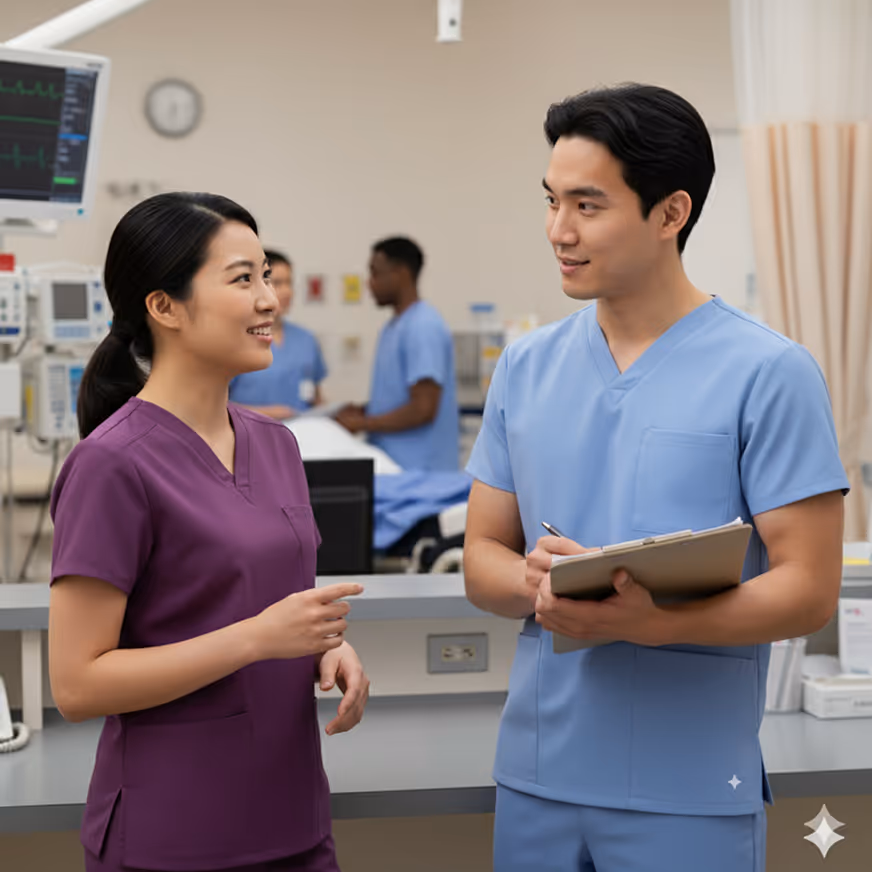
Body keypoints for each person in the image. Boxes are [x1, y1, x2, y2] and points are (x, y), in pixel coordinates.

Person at [463, 84, 848, 872]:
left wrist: (647, 620)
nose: (558, 231)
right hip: (537, 774)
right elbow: (480, 558)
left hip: (689, 789)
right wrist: (535, 581)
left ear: (671, 213)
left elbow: (807, 590)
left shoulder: (769, 373)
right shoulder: (527, 368)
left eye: (587, 206)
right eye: (551, 201)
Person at [49, 193, 369, 872]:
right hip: (176, 832)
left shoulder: (276, 444)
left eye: (266, 276)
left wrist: (321, 651)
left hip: (295, 820)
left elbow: (260, 601)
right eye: (242, 279)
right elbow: (78, 684)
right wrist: (259, 640)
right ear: (164, 307)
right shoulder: (111, 464)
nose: (269, 300)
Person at [335, 237, 459, 472]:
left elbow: (423, 409)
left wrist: (362, 423)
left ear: (400, 274)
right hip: (398, 469)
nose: (369, 284)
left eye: (375, 274)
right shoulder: (394, 327)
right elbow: (400, 398)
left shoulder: (423, 326)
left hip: (422, 475)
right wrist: (366, 410)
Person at [229, 248, 328, 419]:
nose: (287, 292)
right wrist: (267, 415)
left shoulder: (306, 339)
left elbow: (316, 398)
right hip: (252, 437)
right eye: (277, 283)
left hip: (304, 437)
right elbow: (212, 407)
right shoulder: (233, 341)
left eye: (289, 283)